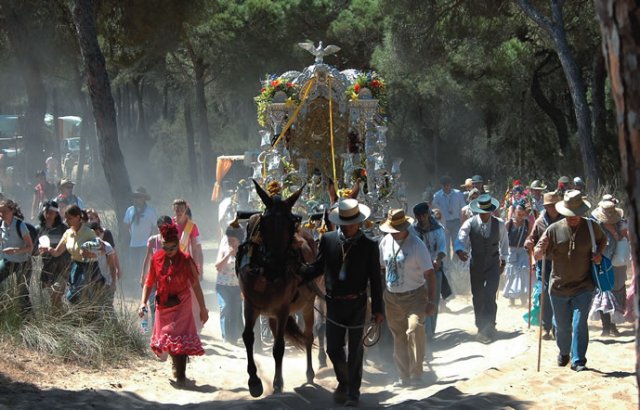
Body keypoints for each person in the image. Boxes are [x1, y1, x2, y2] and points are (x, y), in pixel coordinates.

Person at [302, 198, 384, 406]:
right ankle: (344, 380)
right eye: (345, 223)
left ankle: (353, 393)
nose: (349, 227)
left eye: (352, 223)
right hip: (334, 304)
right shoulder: (328, 240)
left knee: (356, 349)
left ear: (358, 222)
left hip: (357, 303)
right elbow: (318, 267)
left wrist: (378, 309)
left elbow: (375, 279)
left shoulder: (369, 245)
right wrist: (299, 274)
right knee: (332, 348)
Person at [534, 190, 606, 372]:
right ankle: (564, 352)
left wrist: (598, 254)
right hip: (558, 287)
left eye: (577, 214)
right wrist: (537, 251)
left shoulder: (591, 227)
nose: (573, 218)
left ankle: (578, 360)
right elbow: (539, 247)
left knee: (579, 323)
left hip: (584, 286)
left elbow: (603, 240)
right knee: (563, 327)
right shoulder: (554, 229)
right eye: (569, 215)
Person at [138, 223, 208, 386]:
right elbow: (149, 282)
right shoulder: (156, 259)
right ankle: (176, 363)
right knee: (168, 338)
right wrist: (143, 302)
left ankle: (181, 374)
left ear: (178, 244)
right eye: (165, 247)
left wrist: (203, 308)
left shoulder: (186, 260)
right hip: (163, 303)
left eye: (172, 248)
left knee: (179, 339)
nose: (169, 251)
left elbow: (196, 285)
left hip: (183, 302)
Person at [379, 208, 436, 387]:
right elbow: (382, 268)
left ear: (405, 226)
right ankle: (403, 377)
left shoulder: (417, 245)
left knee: (414, 330)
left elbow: (430, 274)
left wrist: (432, 301)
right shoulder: (384, 243)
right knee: (398, 337)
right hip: (392, 298)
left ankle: (416, 374)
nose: (394, 232)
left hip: (415, 297)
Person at [455, 194, 508, 343]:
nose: (484, 214)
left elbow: (504, 244)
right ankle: (480, 325)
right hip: (476, 264)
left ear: (491, 211)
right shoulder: (470, 224)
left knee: (490, 294)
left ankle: (490, 325)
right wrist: (459, 250)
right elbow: (460, 239)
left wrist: (503, 261)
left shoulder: (500, 224)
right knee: (477, 296)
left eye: (487, 212)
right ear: (477, 210)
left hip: (493, 264)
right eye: (482, 212)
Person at [41, 205, 102, 304]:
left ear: (78, 217)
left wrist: (88, 252)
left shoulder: (88, 232)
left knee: (77, 293)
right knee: (73, 297)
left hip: (89, 267)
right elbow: (57, 252)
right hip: (75, 266)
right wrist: (48, 249)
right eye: (66, 218)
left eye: (69, 218)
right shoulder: (67, 233)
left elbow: (99, 248)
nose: (66, 221)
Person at [524, 191, 564, 340]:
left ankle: (557, 326)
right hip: (544, 263)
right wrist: (528, 243)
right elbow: (531, 238)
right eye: (549, 206)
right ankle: (546, 326)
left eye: (554, 205)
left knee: (559, 293)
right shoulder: (539, 221)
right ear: (546, 207)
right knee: (545, 293)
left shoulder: (565, 220)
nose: (552, 208)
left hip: (561, 263)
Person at [410, 202, 446, 359]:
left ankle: (431, 332)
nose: (421, 218)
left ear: (428, 214)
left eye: (424, 215)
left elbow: (443, 248)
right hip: (418, 271)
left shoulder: (438, 229)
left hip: (434, 269)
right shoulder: (412, 231)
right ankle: (424, 331)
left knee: (433, 299)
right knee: (421, 300)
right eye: (418, 216)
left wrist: (438, 260)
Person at [589, 200, 628, 336]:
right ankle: (606, 327)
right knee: (603, 293)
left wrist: (613, 230)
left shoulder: (619, 223)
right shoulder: (594, 224)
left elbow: (624, 238)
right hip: (601, 262)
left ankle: (613, 325)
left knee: (616, 293)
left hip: (616, 263)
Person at [0, 199, 34, 314]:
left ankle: (27, 319)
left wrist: (15, 250)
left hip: (22, 262)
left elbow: (30, 247)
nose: (1, 214)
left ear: (12, 211)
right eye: (0, 211)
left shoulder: (20, 225)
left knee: (22, 293)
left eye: (4, 211)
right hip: (6, 260)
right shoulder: (0, 224)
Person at [36, 200, 70, 311]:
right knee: (49, 296)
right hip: (46, 267)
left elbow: (70, 248)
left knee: (56, 293)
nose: (48, 215)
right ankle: (54, 319)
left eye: (51, 212)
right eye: (46, 212)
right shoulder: (38, 229)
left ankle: (58, 319)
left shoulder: (64, 229)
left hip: (62, 266)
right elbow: (33, 249)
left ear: (56, 214)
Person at [215, 226, 244, 345]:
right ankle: (226, 337)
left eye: (233, 240)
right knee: (226, 307)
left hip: (238, 286)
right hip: (223, 285)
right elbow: (218, 267)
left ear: (239, 240)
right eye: (229, 239)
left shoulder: (243, 251)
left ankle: (234, 337)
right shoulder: (224, 247)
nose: (230, 242)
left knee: (236, 310)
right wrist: (228, 255)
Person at [123, 187, 157, 283]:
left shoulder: (150, 211)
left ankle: (144, 285)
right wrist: (125, 240)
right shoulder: (129, 210)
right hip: (133, 244)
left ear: (144, 198)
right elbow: (126, 226)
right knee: (134, 267)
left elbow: (154, 229)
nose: (137, 199)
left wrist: (155, 244)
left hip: (146, 245)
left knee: (144, 267)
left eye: (139, 197)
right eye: (136, 197)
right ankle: (135, 286)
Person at [502, 200, 531, 306]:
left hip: (523, 251)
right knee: (511, 275)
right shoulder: (508, 224)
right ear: (515, 212)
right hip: (511, 251)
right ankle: (511, 298)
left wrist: (529, 243)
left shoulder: (527, 223)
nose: (520, 216)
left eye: (522, 214)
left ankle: (523, 298)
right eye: (518, 213)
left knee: (524, 273)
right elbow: (502, 239)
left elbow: (529, 236)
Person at [431, 176, 466, 260]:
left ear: (450, 185)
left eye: (448, 185)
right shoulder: (437, 196)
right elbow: (434, 210)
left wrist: (462, 221)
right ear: (442, 186)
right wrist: (440, 223)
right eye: (444, 185)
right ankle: (447, 264)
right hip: (444, 222)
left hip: (456, 221)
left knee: (456, 243)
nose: (446, 187)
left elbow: (463, 208)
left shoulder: (458, 194)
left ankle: (455, 262)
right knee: (445, 244)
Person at [89, 222, 120, 311]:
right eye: (93, 235)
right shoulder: (87, 248)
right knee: (95, 308)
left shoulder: (107, 247)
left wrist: (113, 283)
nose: (97, 237)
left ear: (102, 233)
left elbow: (112, 266)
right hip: (93, 283)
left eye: (98, 234)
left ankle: (114, 325)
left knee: (108, 307)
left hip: (107, 282)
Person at [172, 199, 203, 276]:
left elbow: (194, 249)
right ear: (173, 209)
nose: (179, 212)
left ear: (186, 209)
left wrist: (195, 267)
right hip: (171, 259)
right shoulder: (170, 223)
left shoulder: (191, 226)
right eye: (177, 210)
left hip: (184, 260)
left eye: (181, 209)